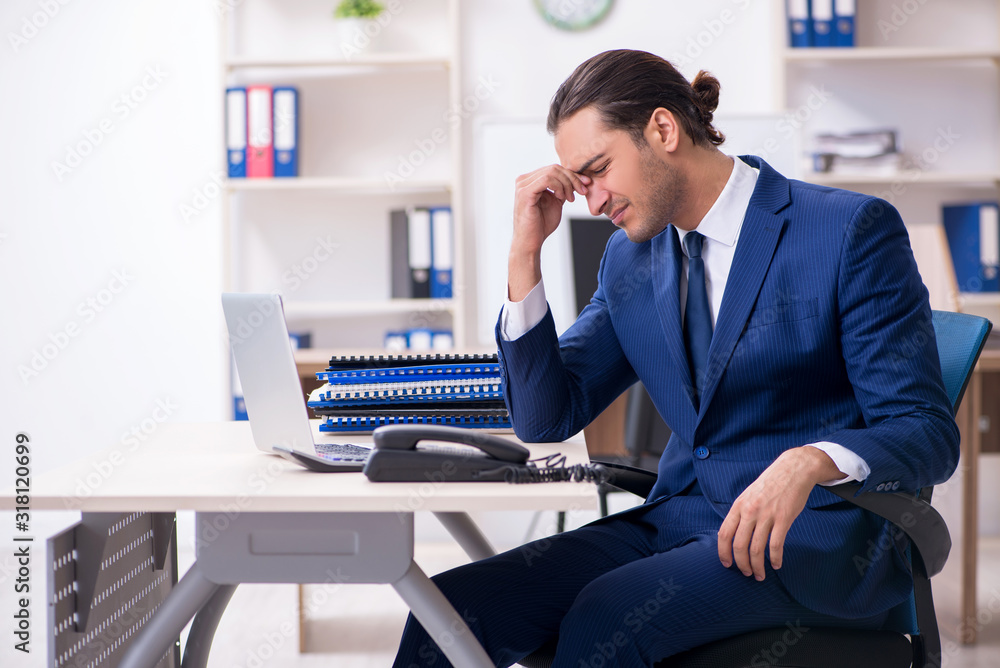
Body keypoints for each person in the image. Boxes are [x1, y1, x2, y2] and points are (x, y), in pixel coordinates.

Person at [392, 49, 958, 667]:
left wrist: (808, 462)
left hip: (814, 538)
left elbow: (925, 431)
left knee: (604, 615)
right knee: (451, 610)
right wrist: (523, 258)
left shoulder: (845, 230)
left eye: (599, 170)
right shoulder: (631, 259)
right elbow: (545, 417)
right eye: (579, 182)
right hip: (680, 520)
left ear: (663, 130)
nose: (593, 200)